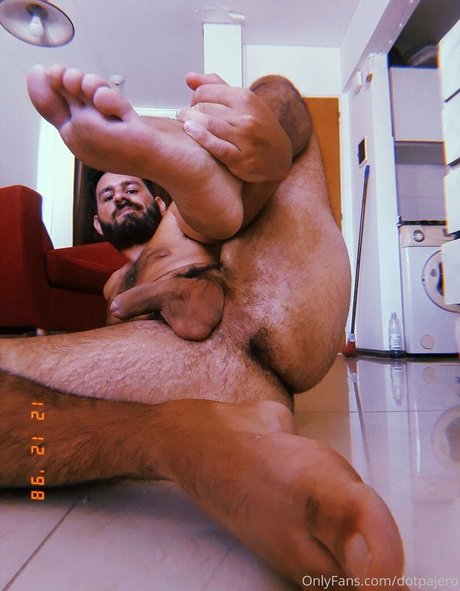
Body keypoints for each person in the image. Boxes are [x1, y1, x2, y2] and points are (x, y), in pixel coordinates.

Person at [0, 67, 406, 589]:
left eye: (131, 186)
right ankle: (221, 184)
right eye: (108, 195)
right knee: (147, 278)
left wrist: (203, 240)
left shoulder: (172, 224)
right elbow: (123, 348)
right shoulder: (115, 286)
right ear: (98, 226)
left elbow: (279, 105)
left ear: (158, 201)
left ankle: (226, 171)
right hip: (213, 374)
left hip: (273, 296)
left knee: (276, 96)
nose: (121, 196)